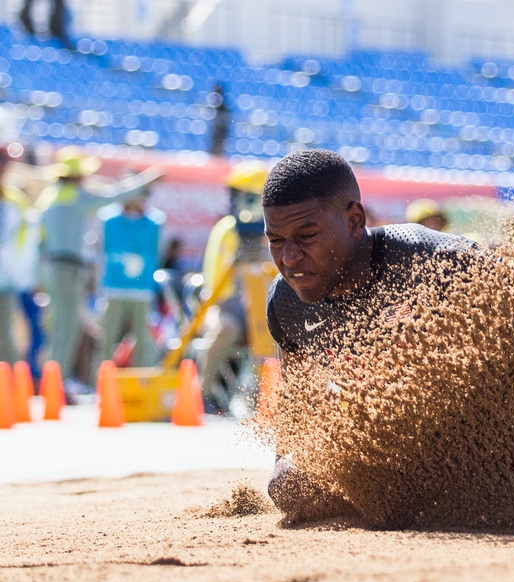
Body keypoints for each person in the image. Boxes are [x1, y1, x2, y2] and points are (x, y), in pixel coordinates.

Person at [262, 149, 475, 522]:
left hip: (478, 437)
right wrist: (287, 463)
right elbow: (299, 413)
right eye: (276, 240)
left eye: (307, 235)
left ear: (355, 220)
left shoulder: (434, 263)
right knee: (288, 488)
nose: (290, 257)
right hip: (392, 452)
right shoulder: (286, 303)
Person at [36, 147, 161, 393]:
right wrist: (146, 180)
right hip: (69, 266)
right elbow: (114, 195)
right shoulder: (75, 196)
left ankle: (52, 381)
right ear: (75, 176)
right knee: (67, 328)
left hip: (51, 265)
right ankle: (56, 385)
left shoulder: (50, 196)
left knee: (58, 326)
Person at [198, 161, 270, 413]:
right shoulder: (227, 229)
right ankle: (203, 394)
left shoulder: (273, 231)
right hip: (225, 305)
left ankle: (260, 399)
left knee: (273, 335)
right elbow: (216, 277)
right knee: (224, 330)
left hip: (262, 308)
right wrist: (237, 259)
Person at [94, 178, 165, 370]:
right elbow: (101, 251)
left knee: (143, 339)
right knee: (107, 337)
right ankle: (100, 381)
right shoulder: (108, 220)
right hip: (113, 287)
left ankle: (142, 381)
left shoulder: (155, 222)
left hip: (141, 290)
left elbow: (159, 252)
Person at [0, 149, 36, 366]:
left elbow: (24, 242)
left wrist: (22, 276)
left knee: (5, 336)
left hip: (6, 280)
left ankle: (11, 388)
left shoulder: (15, 201)